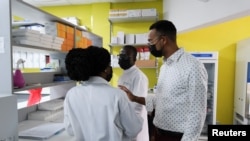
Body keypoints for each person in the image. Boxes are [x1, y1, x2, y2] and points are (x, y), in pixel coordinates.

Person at [119, 20, 208, 141]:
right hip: (159, 133)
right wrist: (134, 98)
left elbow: (198, 112)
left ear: (163, 40)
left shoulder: (193, 66)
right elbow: (160, 100)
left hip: (178, 136)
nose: (148, 46)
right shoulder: (165, 66)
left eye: (150, 41)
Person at [64, 46, 143, 141]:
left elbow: (70, 130)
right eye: (109, 65)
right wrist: (138, 118)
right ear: (105, 69)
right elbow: (134, 130)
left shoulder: (72, 94)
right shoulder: (117, 96)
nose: (110, 68)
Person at [117, 45, 149, 141]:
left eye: (125, 56)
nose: (122, 58)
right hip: (124, 121)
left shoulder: (139, 76)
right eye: (120, 56)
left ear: (134, 59)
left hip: (134, 125)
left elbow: (137, 106)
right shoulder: (123, 74)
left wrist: (128, 124)